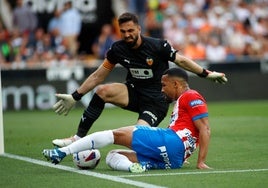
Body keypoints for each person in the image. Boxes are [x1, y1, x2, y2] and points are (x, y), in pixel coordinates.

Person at [52, 12, 227, 148]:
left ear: (139, 29)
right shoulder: (117, 49)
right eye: (123, 31)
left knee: (137, 138)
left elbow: (181, 60)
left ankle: (155, 151)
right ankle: (77, 138)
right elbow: (99, 75)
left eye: (131, 31)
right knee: (102, 91)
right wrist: (75, 96)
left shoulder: (158, 46)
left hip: (156, 101)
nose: (127, 35)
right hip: (133, 92)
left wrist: (206, 73)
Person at [43, 67, 211, 172]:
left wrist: (201, 162)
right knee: (112, 155)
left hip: (172, 143)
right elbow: (191, 131)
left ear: (176, 84)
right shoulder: (182, 101)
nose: (161, 90)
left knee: (113, 135)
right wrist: (184, 154)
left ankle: (62, 153)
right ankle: (134, 167)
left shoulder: (191, 95)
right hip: (174, 160)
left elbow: (205, 128)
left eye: (164, 85)